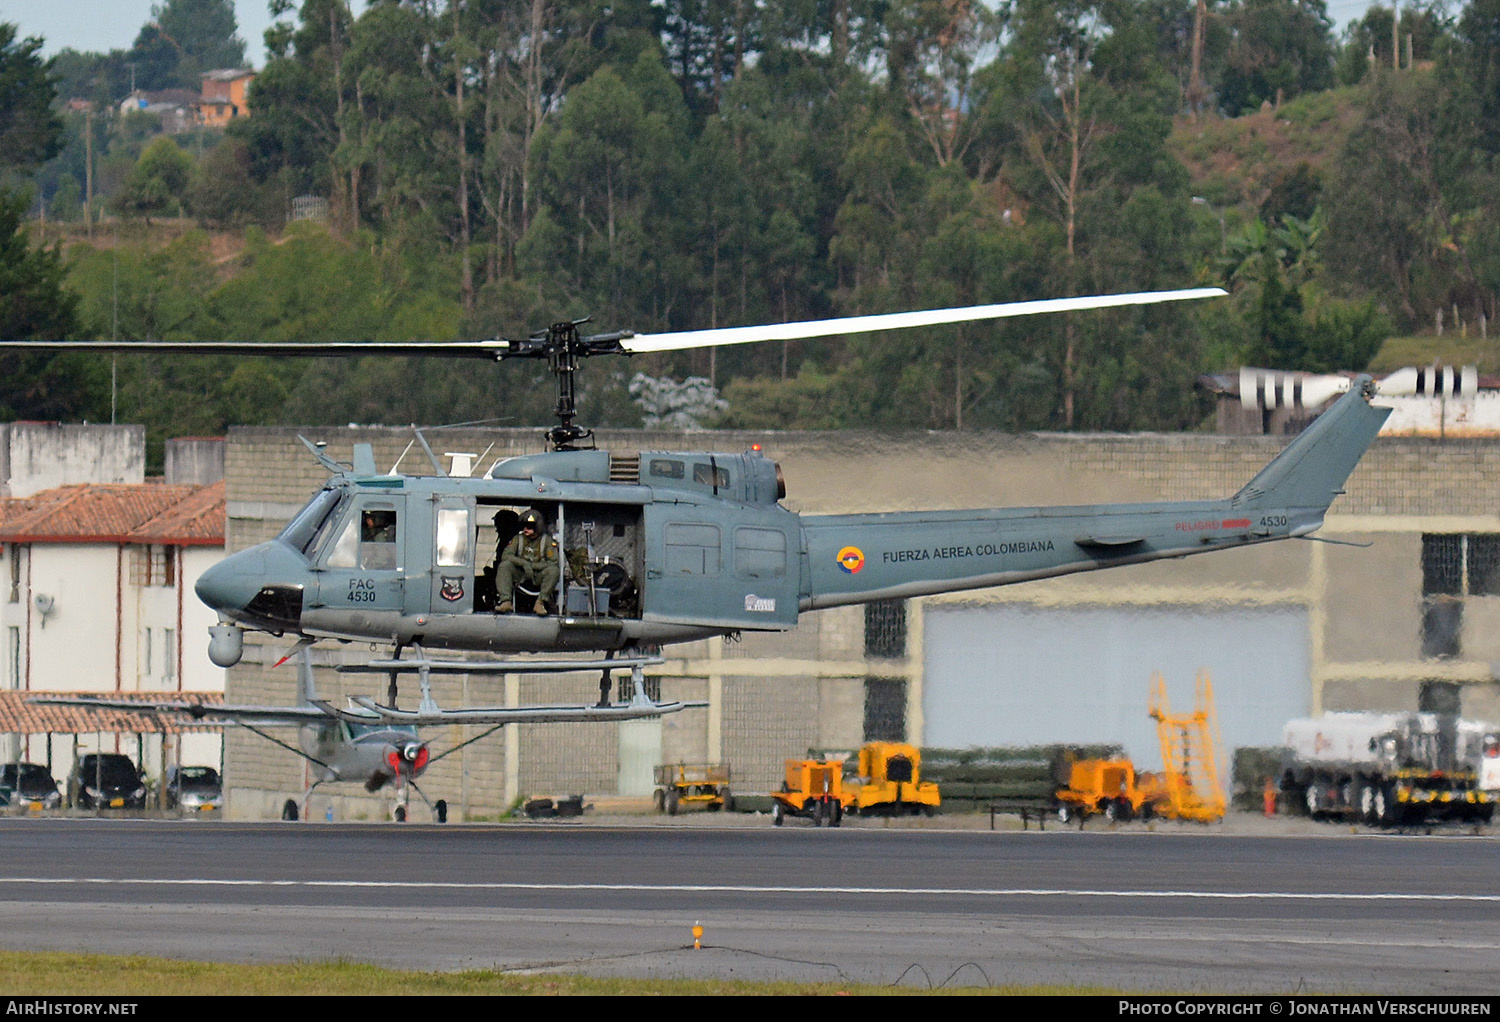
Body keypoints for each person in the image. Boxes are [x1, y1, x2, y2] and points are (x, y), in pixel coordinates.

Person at [496, 509, 559, 615]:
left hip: (538, 575)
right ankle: (506, 601)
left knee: (553, 571)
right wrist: (523, 564)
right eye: (524, 526)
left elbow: (553, 562)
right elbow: (506, 556)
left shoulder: (547, 541)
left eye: (529, 527)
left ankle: (540, 602)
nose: (525, 529)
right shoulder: (518, 539)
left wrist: (532, 566)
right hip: (521, 574)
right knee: (504, 566)